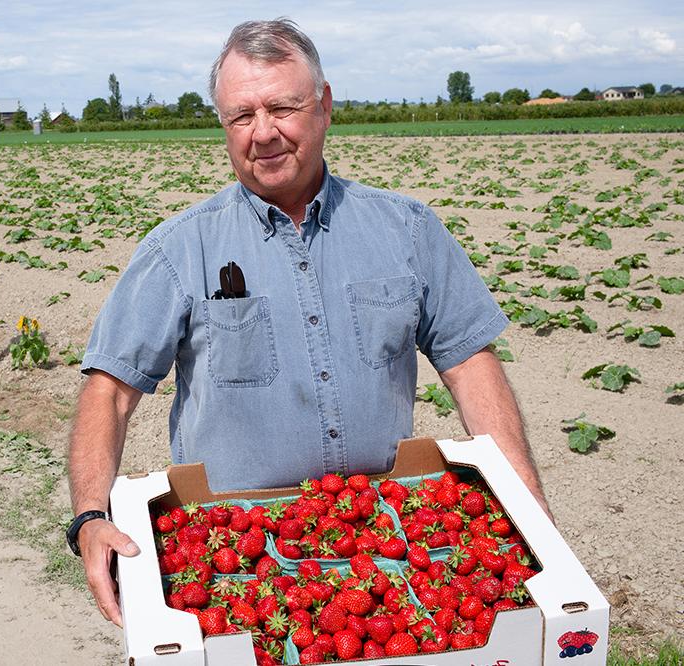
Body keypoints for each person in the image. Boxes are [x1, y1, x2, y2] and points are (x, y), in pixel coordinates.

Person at [66, 18, 550, 626]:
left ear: (323, 106)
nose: (263, 134)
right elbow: (108, 390)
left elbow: (471, 364)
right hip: (231, 553)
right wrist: (89, 515)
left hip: (382, 545)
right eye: (241, 115)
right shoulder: (180, 249)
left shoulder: (406, 230)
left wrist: (527, 510)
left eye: (282, 108)